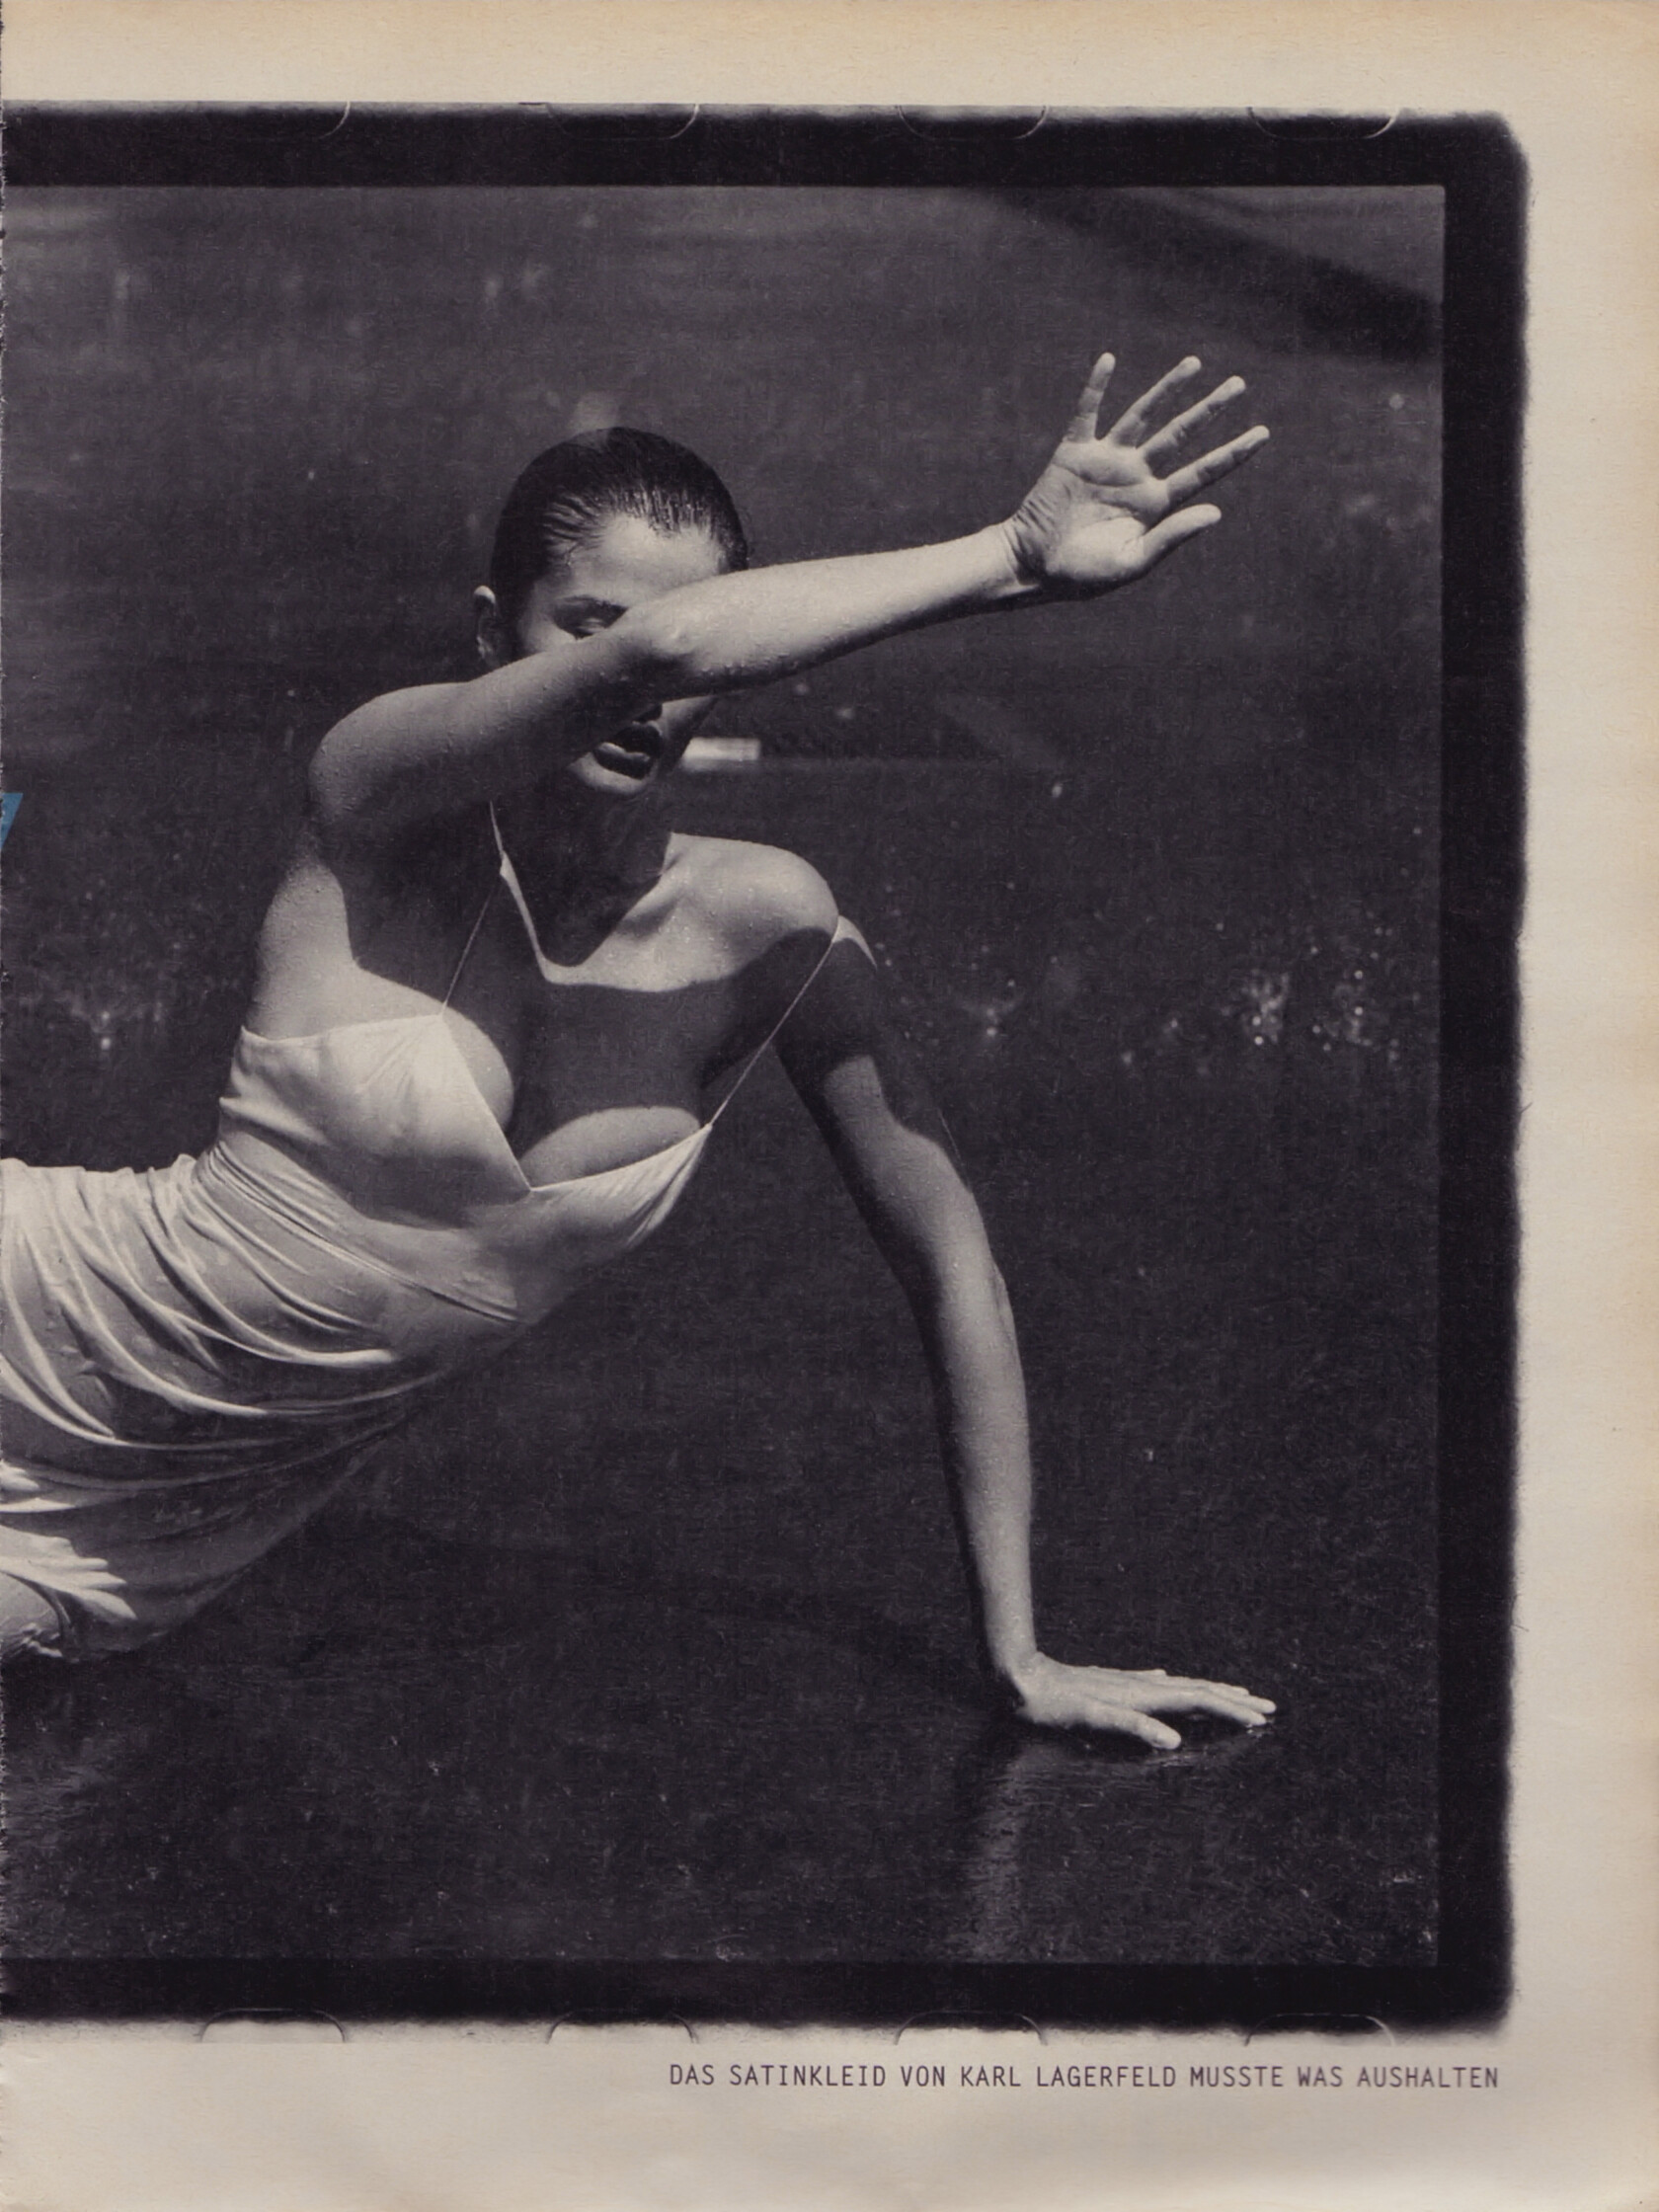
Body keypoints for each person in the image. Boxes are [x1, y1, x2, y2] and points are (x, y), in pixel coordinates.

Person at [0, 350, 1275, 1748]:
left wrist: (1020, 1652)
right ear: (493, 633)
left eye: (700, 631)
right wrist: (1012, 554)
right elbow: (660, 657)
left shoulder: (769, 930)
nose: (641, 683)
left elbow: (950, 1256)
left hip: (138, 1541)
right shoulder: (379, 793)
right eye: (587, 624)